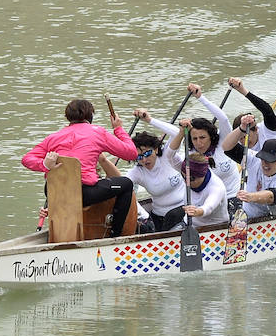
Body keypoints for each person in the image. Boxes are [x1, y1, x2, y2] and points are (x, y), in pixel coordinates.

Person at [21, 98, 137, 237]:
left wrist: (45, 165)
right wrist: (118, 129)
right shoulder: (98, 132)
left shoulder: (53, 137)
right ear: (91, 116)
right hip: (84, 194)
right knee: (127, 184)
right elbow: (131, 153)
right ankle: (115, 234)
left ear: (68, 117)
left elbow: (26, 159)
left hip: (54, 192)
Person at [118, 131, 187, 231]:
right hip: (158, 217)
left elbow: (176, 132)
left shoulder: (168, 157)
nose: (145, 160)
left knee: (173, 215)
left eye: (147, 153)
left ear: (155, 149)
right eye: (139, 157)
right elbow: (122, 187)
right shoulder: (138, 172)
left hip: (184, 210)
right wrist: (140, 212)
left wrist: (149, 120)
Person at [236, 138, 276, 219]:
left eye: (270, 160)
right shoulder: (255, 160)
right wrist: (241, 128)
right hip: (249, 216)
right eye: (263, 159)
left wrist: (250, 197)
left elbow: (271, 196)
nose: (265, 164)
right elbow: (228, 148)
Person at [227, 77, 276, 152]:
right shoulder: (236, 142)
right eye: (240, 138)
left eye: (245, 137)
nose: (243, 142)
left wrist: (242, 90)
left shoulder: (267, 131)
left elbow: (267, 111)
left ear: (256, 129)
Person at [180, 152, 229, 228]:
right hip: (189, 223)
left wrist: (196, 211)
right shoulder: (189, 176)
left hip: (213, 228)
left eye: (191, 179)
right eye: (184, 177)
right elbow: (170, 155)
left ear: (202, 175)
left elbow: (208, 208)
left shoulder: (217, 187)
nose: (186, 182)